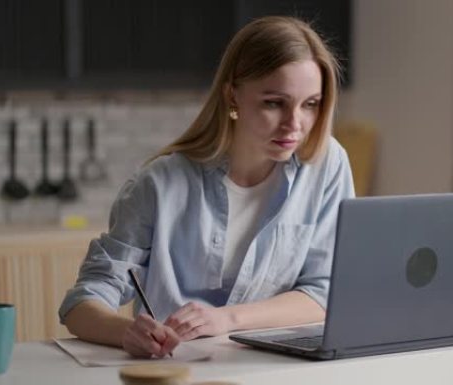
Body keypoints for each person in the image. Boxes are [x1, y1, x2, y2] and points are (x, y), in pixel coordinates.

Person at [58, 16, 355, 358]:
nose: (295, 124)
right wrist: (127, 332)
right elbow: (82, 303)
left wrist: (227, 318)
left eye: (310, 105)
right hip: (180, 372)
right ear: (232, 96)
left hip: (281, 369)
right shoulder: (158, 184)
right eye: (274, 102)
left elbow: (325, 293)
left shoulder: (326, 164)